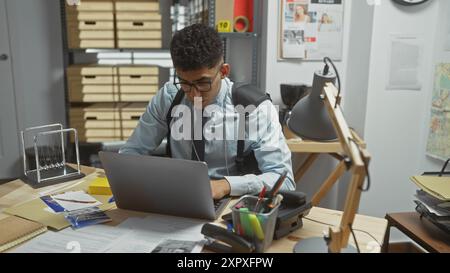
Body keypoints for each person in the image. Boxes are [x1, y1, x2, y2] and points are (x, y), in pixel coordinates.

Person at [119, 23, 295, 200]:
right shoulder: (169, 97)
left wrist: (227, 185)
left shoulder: (254, 108)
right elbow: (131, 153)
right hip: (178, 199)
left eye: (203, 83)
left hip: (233, 205)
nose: (194, 95)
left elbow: (284, 180)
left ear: (224, 71)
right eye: (185, 83)